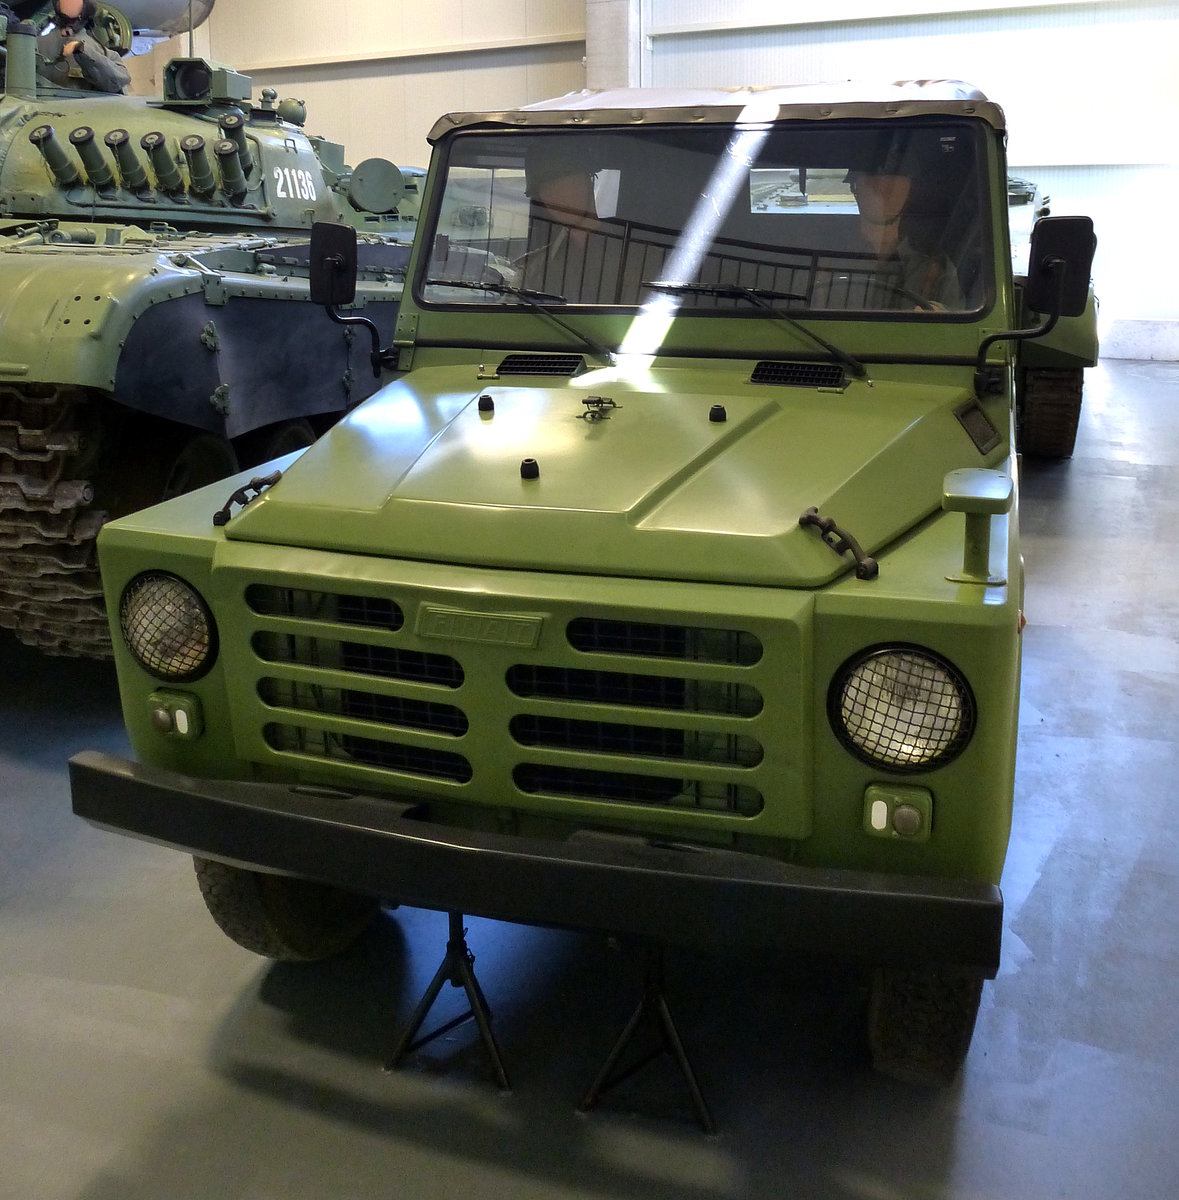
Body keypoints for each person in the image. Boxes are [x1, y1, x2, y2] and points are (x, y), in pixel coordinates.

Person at [847, 167, 964, 311]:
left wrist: (939, 314)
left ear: (910, 190)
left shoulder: (935, 267)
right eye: (873, 181)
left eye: (893, 181)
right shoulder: (827, 258)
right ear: (855, 189)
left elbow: (961, 324)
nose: (882, 189)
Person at [37, 0, 130, 93]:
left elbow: (118, 81)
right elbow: (117, 83)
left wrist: (83, 50)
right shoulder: (104, 54)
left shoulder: (34, 44)